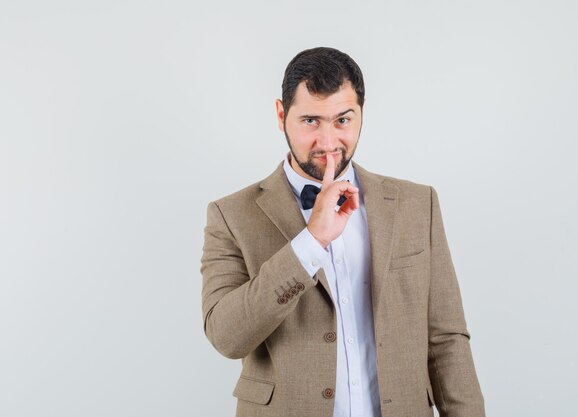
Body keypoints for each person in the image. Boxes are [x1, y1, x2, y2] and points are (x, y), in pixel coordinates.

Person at [200, 47, 485, 417]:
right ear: (281, 115)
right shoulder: (230, 215)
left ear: (361, 114)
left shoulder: (418, 204)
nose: (328, 142)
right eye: (310, 121)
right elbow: (227, 336)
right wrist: (310, 242)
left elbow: (447, 341)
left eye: (343, 120)